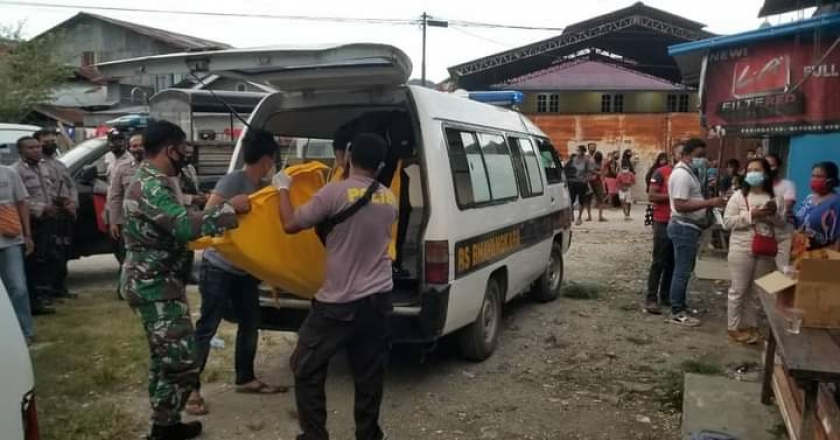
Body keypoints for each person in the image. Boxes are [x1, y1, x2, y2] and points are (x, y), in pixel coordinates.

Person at [121, 120, 250, 440]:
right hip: (152, 285)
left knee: (164, 358)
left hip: (161, 283)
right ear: (169, 149)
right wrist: (228, 209)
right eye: (182, 148)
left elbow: (177, 215)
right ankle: (164, 428)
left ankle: (165, 424)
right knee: (181, 359)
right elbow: (184, 227)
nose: (186, 154)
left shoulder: (158, 181)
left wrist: (200, 202)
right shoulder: (151, 186)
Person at [275, 132, 397, 440]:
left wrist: (282, 188)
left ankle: (315, 436)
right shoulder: (389, 198)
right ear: (381, 165)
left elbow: (290, 224)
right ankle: (368, 435)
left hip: (339, 303)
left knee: (304, 366)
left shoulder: (334, 192)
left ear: (349, 156)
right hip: (379, 300)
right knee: (369, 375)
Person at [188, 129, 287, 416]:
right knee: (207, 326)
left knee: (250, 322)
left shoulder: (263, 186)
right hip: (219, 267)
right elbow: (206, 217)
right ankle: (190, 389)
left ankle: (245, 378)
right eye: (273, 159)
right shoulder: (233, 181)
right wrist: (231, 206)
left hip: (245, 270)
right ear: (267, 159)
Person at [723, 158, 784, 345]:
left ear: (766, 173)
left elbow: (782, 224)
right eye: (749, 170)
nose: (752, 174)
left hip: (765, 248)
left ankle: (752, 326)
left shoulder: (775, 198)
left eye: (757, 170)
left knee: (758, 292)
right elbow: (727, 222)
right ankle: (733, 328)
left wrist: (771, 216)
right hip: (741, 247)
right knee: (738, 289)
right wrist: (752, 215)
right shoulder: (739, 196)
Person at [667, 138, 727, 327]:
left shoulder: (689, 173)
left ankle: (680, 305)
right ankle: (677, 312)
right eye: (699, 155)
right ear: (687, 154)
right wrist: (709, 203)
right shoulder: (682, 175)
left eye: (704, 156)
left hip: (689, 227)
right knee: (682, 271)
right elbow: (680, 204)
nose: (702, 160)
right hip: (683, 227)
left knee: (685, 269)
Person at [12, 137, 56, 316]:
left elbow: (49, 190)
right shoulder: (16, 171)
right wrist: (41, 207)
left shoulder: (43, 167)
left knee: (45, 258)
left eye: (38, 146)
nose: (37, 150)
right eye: (31, 148)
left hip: (47, 220)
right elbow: (20, 200)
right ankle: (33, 302)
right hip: (30, 221)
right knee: (31, 262)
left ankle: (44, 295)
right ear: (21, 151)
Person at [34, 129, 77, 299]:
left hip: (66, 215)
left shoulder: (60, 164)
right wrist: (59, 202)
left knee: (64, 251)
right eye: (47, 141)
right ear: (38, 143)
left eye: (53, 141)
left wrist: (73, 203)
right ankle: (48, 290)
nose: (51, 144)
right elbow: (43, 191)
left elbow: (71, 185)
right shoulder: (38, 166)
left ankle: (60, 287)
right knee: (50, 253)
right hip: (50, 215)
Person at [0, 164, 35, 342]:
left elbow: (22, 203)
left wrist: (27, 234)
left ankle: (25, 332)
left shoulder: (9, 173)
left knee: (18, 286)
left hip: (10, 238)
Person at [108, 132, 144, 298]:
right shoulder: (122, 169)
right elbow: (115, 196)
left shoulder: (157, 166)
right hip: (129, 222)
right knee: (127, 257)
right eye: (134, 146)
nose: (138, 149)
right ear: (129, 148)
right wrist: (114, 221)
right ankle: (124, 289)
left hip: (153, 221)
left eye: (141, 145)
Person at [644, 150, 677, 314]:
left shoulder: (690, 173)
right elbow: (652, 196)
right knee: (659, 261)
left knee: (672, 262)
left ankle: (666, 295)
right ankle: (651, 298)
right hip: (662, 220)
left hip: (680, 222)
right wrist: (673, 196)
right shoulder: (661, 172)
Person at [793, 161, 840, 260]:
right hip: (800, 252)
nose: (814, 179)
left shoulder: (836, 202)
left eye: (819, 176)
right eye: (813, 176)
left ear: (831, 180)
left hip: (821, 256)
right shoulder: (809, 198)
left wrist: (834, 259)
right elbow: (798, 221)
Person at [764, 153, 797, 270]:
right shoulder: (759, 187)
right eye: (765, 166)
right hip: (764, 232)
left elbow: (786, 206)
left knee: (782, 268)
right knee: (763, 268)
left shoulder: (787, 185)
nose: (769, 169)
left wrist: (764, 210)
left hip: (783, 233)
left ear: (779, 167)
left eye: (772, 165)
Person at [565, 145, 594, 225]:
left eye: (579, 150)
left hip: (582, 182)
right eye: (577, 150)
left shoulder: (587, 160)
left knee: (581, 200)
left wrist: (586, 179)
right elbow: (567, 169)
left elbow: (590, 171)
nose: (577, 152)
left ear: (583, 151)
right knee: (571, 199)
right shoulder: (573, 159)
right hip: (573, 181)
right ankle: (571, 215)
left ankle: (579, 217)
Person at [590, 151, 606, 222]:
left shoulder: (593, 163)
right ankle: (600, 217)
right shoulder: (596, 163)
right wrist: (597, 173)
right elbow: (601, 172)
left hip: (593, 181)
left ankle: (590, 216)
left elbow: (601, 172)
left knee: (589, 199)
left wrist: (595, 172)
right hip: (596, 182)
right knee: (600, 200)